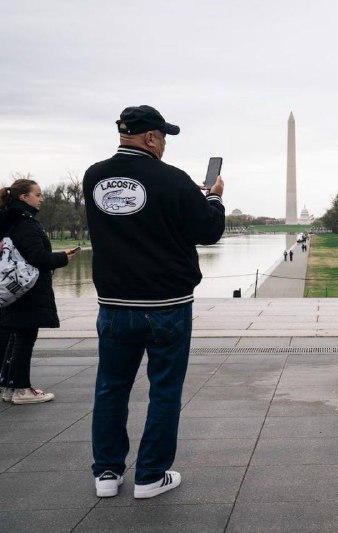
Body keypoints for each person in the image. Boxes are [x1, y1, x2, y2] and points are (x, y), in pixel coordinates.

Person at [83, 105, 225, 500]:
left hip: (113, 303)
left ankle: (107, 473)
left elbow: (126, 220)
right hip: (166, 303)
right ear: (150, 137)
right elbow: (208, 232)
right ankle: (150, 475)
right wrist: (212, 200)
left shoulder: (94, 176)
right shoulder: (173, 179)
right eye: (163, 138)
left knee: (111, 388)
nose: (164, 145)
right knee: (164, 390)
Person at [0, 179, 76, 404]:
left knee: (16, 336)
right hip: (28, 290)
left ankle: (9, 386)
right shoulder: (25, 223)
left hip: (14, 288)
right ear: (24, 197)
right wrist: (64, 257)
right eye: (38, 194)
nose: (41, 198)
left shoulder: (10, 221)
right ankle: (22, 389)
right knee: (25, 337)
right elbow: (38, 258)